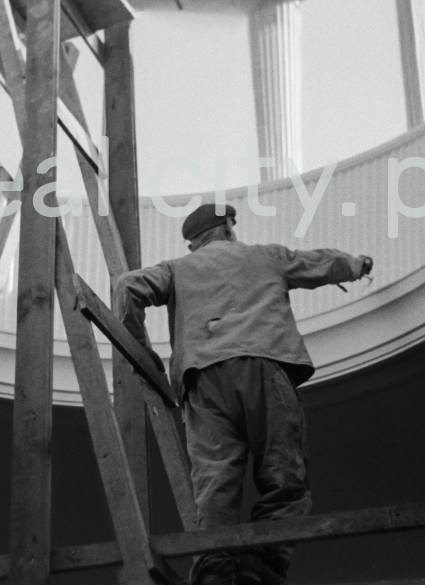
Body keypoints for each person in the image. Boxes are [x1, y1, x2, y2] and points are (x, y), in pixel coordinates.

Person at [113, 203, 374, 585]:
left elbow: (127, 287)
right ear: (229, 229)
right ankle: (260, 567)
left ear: (194, 244)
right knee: (285, 479)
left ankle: (215, 574)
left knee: (215, 486)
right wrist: (357, 264)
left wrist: (144, 355)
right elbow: (320, 263)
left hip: (202, 380)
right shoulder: (265, 257)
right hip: (264, 367)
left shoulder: (178, 268)